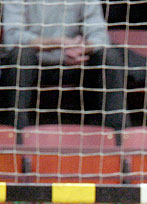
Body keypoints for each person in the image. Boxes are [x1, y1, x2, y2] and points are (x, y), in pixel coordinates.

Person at [1, 0, 130, 135]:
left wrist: (83, 48)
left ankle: (119, 136)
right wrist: (55, 43)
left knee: (109, 56)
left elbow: (100, 35)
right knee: (21, 56)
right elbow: (12, 37)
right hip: (33, 65)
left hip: (74, 63)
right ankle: (16, 135)